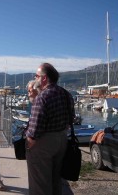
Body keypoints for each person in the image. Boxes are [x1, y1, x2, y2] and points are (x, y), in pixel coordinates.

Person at [25, 63, 75, 195]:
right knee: (56, 180)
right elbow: (72, 118)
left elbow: (34, 131)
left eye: (36, 76)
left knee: (40, 184)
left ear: (44, 78)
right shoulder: (66, 94)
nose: (35, 79)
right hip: (62, 140)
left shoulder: (42, 97)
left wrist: (28, 145)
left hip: (43, 144)